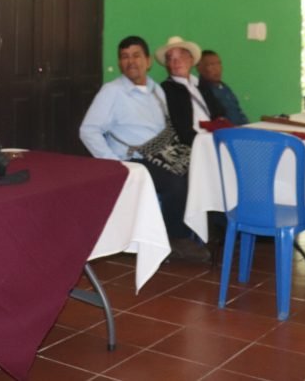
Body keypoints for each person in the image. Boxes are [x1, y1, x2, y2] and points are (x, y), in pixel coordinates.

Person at [80, 35, 209, 262]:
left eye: (136, 56)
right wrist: (114, 163)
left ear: (148, 61)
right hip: (133, 159)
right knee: (175, 183)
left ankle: (199, 232)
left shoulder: (156, 90)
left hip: (162, 153)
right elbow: (88, 130)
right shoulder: (112, 91)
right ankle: (175, 240)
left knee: (199, 170)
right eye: (125, 57)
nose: (131, 61)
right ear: (120, 63)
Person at [156, 37, 225, 147]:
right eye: (171, 59)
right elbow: (181, 130)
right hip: (195, 144)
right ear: (167, 65)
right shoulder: (167, 89)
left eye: (181, 57)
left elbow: (219, 113)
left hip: (216, 136)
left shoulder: (201, 85)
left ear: (191, 60)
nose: (176, 62)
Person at [196, 49, 249, 126]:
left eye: (219, 64)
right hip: (225, 131)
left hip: (242, 128)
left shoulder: (225, 87)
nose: (217, 69)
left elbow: (238, 110)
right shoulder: (202, 91)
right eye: (211, 65)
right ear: (199, 68)